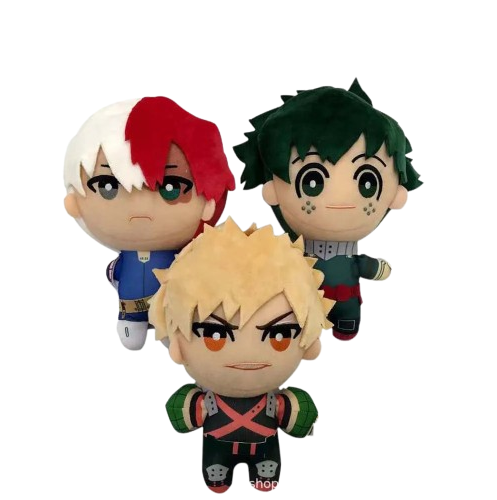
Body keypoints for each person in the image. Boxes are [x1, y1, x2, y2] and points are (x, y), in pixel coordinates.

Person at [150, 218, 332, 493]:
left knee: (266, 464)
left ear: (309, 343)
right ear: (177, 346)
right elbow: (181, 418)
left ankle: (262, 471)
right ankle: (219, 474)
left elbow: (298, 420)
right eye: (214, 334)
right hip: (216, 449)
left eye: (280, 335)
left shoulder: (273, 400)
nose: (248, 353)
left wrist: (300, 415)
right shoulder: (208, 400)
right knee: (216, 467)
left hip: (265, 448)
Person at [234, 78, 423, 342]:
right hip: (301, 303)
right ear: (272, 190)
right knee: (297, 320)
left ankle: (345, 325)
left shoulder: (350, 259)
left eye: (367, 183)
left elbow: (365, 266)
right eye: (312, 181)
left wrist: (376, 268)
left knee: (345, 317)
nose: (342, 199)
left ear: (396, 195)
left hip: (346, 298)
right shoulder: (294, 255)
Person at [63, 96, 235, 351]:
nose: (141, 209)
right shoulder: (125, 260)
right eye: (108, 186)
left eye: (171, 187)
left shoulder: (186, 258)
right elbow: (114, 275)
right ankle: (134, 324)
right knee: (134, 333)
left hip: (174, 311)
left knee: (174, 331)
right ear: (73, 202)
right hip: (130, 309)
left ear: (208, 202)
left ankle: (169, 327)